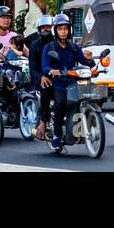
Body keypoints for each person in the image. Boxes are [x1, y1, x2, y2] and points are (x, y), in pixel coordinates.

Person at [41, 13, 93, 152]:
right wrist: (52, 71)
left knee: (89, 96)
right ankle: (57, 136)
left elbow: (83, 60)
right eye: (60, 29)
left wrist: (91, 62)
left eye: (65, 28)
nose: (63, 32)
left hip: (73, 81)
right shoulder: (49, 48)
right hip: (58, 83)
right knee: (60, 102)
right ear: (55, 31)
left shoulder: (74, 47)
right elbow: (45, 66)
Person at [26, 14, 54, 140]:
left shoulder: (61, 43)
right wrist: (41, 77)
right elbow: (33, 68)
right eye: (43, 27)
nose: (46, 30)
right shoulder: (35, 46)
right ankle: (42, 123)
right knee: (46, 89)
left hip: (60, 77)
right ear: (39, 29)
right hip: (41, 78)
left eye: (48, 27)